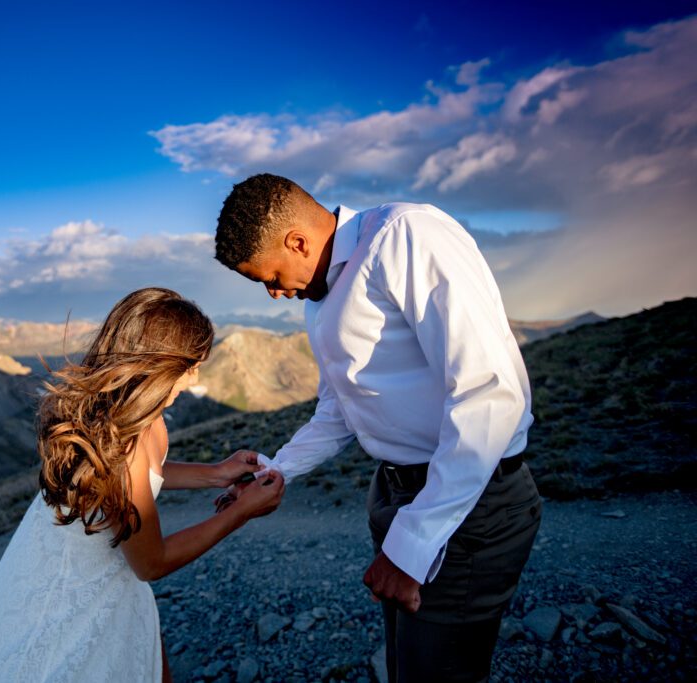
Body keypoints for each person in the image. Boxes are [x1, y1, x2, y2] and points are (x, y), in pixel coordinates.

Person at [213, 174, 541, 683]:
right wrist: (275, 471)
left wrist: (411, 546)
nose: (274, 294)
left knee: (438, 673)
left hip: (466, 507)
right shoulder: (321, 299)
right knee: (408, 664)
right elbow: (338, 410)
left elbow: (489, 394)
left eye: (269, 277)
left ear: (297, 242)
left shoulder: (406, 237)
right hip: (397, 495)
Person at [0, 287, 285, 683]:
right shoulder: (124, 447)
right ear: (158, 366)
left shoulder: (131, 414)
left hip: (102, 580)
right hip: (72, 596)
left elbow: (147, 475)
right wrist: (242, 512)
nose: (194, 378)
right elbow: (151, 562)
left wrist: (215, 473)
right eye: (190, 365)